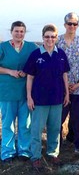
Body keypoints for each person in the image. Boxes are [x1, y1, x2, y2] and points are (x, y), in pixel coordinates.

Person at [23, 24, 70, 170]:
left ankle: (53, 153)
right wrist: (29, 97)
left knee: (55, 128)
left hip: (57, 98)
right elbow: (29, 77)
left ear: (56, 37)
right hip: (39, 100)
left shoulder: (60, 54)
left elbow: (64, 75)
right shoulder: (36, 54)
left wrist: (67, 93)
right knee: (36, 129)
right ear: (43, 37)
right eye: (47, 36)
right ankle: (36, 156)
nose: (50, 39)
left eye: (53, 36)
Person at [0, 21, 38, 163]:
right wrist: (9, 71)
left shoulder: (31, 47)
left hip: (25, 91)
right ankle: (7, 152)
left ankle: (24, 150)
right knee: (8, 123)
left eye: (22, 31)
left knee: (25, 123)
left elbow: (36, 63)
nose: (19, 34)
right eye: (16, 31)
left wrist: (26, 71)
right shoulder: (3, 47)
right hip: (7, 91)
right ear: (11, 32)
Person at [58, 12, 79, 157]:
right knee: (57, 119)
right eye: (69, 23)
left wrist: (78, 83)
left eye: (75, 24)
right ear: (65, 24)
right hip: (60, 89)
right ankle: (56, 147)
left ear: (78, 25)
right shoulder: (57, 41)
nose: (72, 26)